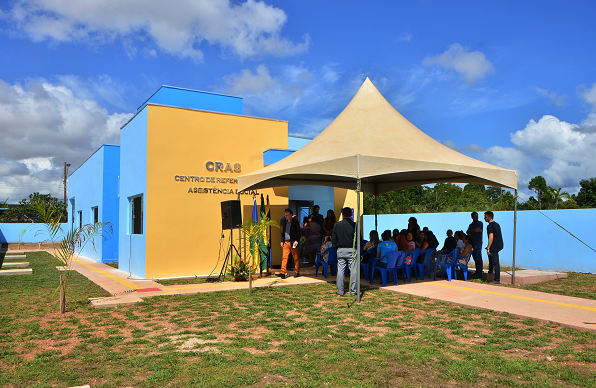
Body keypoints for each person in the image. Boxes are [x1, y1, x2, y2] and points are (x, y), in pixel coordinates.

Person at [332, 207, 357, 296]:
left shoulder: (337, 225)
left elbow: (333, 240)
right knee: (353, 270)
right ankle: (354, 291)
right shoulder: (355, 225)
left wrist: (336, 248)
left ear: (342, 214)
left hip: (341, 249)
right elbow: (359, 239)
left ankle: (340, 291)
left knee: (340, 270)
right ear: (351, 214)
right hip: (352, 249)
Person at [277, 208, 301, 279]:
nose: (286, 217)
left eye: (287, 215)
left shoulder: (295, 223)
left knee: (295, 257)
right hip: (286, 242)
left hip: (293, 242)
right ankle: (283, 272)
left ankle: (297, 271)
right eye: (285, 215)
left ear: (291, 215)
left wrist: (296, 240)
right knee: (284, 257)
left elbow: (298, 233)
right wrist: (282, 241)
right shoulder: (285, 222)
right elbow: (283, 232)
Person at [484, 211, 503, 284]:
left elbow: (491, 237)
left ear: (490, 217)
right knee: (492, 261)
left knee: (495, 262)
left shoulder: (490, 226)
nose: (484, 218)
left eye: (485, 217)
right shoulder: (497, 224)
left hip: (494, 246)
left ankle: (497, 279)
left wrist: (488, 248)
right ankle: (490, 273)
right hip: (498, 245)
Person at [466, 211, 484, 279]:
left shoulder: (480, 223)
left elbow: (476, 230)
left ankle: (480, 272)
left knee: (478, 258)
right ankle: (477, 271)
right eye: (475, 216)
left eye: (477, 216)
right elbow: (468, 232)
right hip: (472, 243)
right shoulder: (471, 225)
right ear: (472, 217)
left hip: (478, 243)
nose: (477, 217)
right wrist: (474, 231)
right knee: (475, 258)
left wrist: (472, 231)